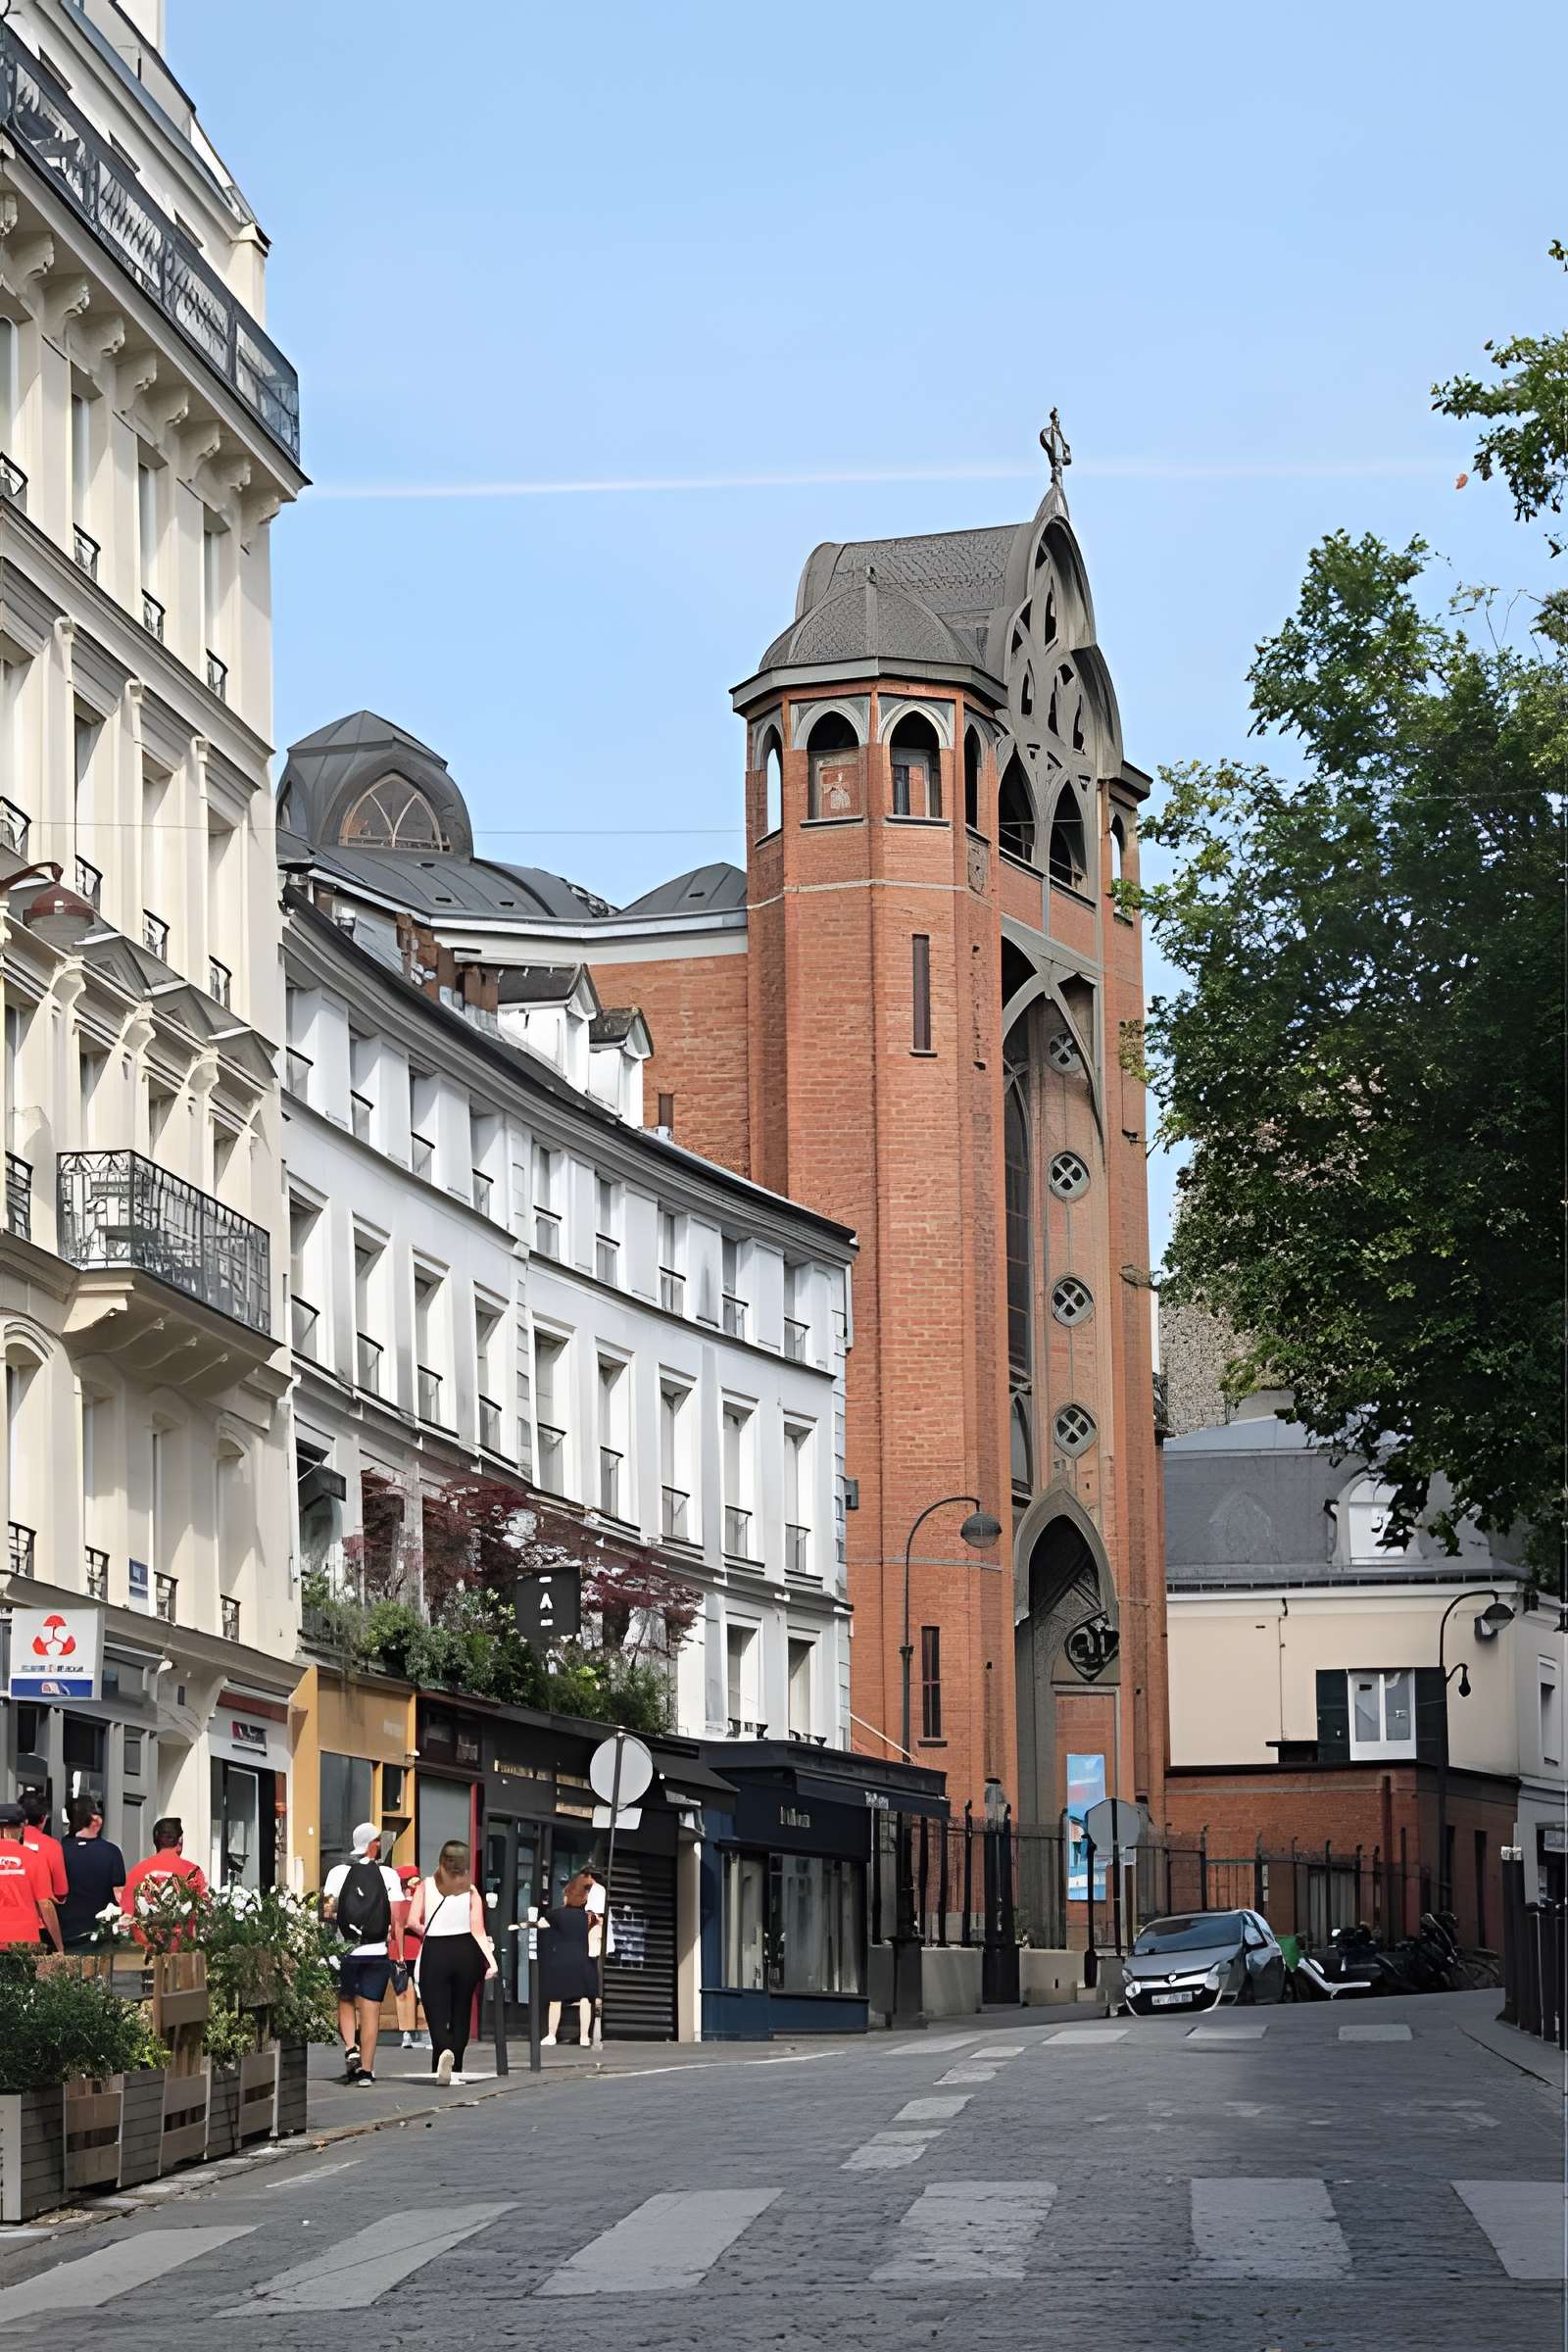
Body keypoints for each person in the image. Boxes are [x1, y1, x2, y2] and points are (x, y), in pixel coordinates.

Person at [407, 1840, 495, 2087]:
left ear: (441, 1860)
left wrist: (429, 1930)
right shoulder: (472, 1891)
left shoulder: (425, 1886)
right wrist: (491, 1961)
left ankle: (443, 2051)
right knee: (461, 2010)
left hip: (436, 1950)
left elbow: (412, 1921)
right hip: (466, 1951)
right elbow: (478, 1930)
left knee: (435, 2009)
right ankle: (455, 2066)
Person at [321, 1823, 403, 2086]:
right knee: (371, 2009)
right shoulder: (388, 1875)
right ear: (372, 1845)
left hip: (346, 1950)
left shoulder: (336, 1873)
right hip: (377, 1950)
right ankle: (366, 2071)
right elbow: (397, 1918)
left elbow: (327, 1912)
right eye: (378, 1840)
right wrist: (396, 1948)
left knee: (346, 1999)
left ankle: (350, 2048)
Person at [58, 1792, 125, 1953]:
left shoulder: (58, 1850)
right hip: (100, 1935)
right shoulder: (111, 1852)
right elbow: (119, 1895)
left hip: (64, 1934)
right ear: (95, 1820)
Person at [121, 1816, 208, 1933]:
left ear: (156, 1840)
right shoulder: (192, 1871)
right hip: (183, 1938)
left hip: (146, 1938)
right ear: (179, 1841)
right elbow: (204, 1908)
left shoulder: (138, 1870)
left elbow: (127, 1911)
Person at [541, 1871, 597, 2049]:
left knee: (556, 1999)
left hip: (561, 1961)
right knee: (585, 1999)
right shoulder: (588, 1917)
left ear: (568, 1896)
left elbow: (542, 1924)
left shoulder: (556, 1915)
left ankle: (551, 2035)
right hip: (583, 1960)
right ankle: (584, 2037)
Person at [0, 1801, 62, 1950]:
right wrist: (59, 1946)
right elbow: (45, 1904)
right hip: (24, 1940)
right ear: (22, 1827)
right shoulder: (34, 1858)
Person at [393, 1863, 430, 2050]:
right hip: (418, 1951)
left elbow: (395, 1928)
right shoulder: (420, 1903)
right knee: (422, 1990)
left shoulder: (397, 1904)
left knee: (403, 1993)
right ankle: (424, 2032)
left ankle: (407, 2033)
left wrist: (399, 1953)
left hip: (400, 1953)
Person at [20, 1792, 68, 1906]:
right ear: (43, 1818)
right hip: (38, 1912)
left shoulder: (7, 1842)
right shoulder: (52, 1845)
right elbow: (61, 1891)